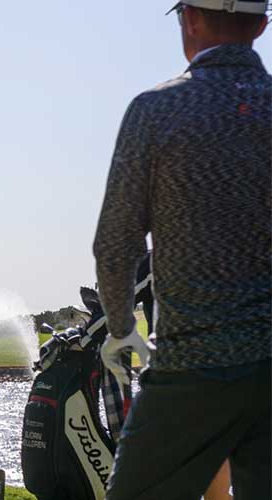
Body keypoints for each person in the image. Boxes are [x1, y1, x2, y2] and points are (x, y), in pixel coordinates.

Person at [92, 1, 271, 499]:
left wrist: (122, 327)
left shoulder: (156, 111)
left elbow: (116, 243)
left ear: (188, 19)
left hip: (193, 365)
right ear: (262, 24)